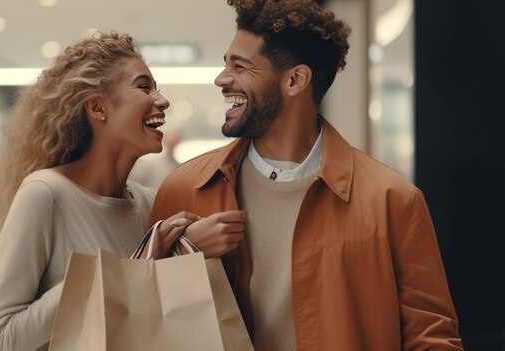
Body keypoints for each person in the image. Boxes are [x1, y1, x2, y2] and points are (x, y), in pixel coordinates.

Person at [149, 1, 463, 350]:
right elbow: (144, 319)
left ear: (295, 80)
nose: (222, 79)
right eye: (226, 64)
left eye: (240, 66)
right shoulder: (185, 190)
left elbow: (431, 335)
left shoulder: (392, 199)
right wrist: (184, 252)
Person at [0, 32, 243, 351]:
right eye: (144, 87)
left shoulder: (147, 202)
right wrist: (135, 265)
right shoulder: (45, 194)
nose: (162, 100)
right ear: (98, 108)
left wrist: (179, 256)